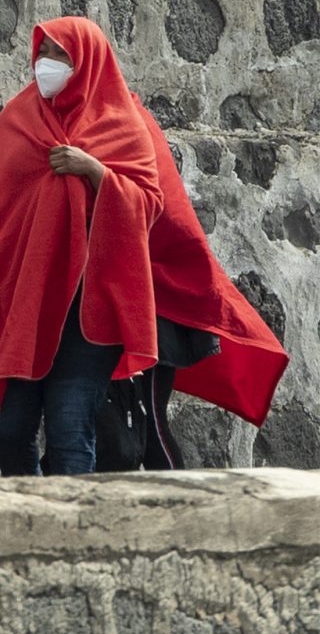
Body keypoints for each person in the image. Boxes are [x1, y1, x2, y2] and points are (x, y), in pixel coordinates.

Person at [0, 17, 166, 477]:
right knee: (10, 425)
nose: (47, 64)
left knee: (71, 426)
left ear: (87, 62)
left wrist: (96, 172)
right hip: (21, 299)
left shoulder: (120, 123)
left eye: (60, 55)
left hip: (86, 307)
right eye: (42, 53)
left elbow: (148, 204)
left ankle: (70, 540)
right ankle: (26, 523)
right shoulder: (19, 119)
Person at [101, 101, 286, 469]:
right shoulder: (109, 117)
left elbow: (162, 218)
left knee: (151, 419)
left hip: (161, 304)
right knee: (124, 423)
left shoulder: (127, 122)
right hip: (127, 300)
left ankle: (179, 509)